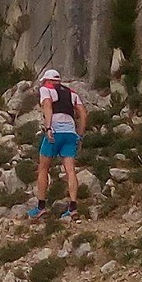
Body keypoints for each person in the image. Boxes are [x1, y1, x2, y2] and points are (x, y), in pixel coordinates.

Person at [29, 69, 87, 220]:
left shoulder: (46, 89)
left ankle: (41, 207)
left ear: (46, 80)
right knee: (70, 170)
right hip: (70, 133)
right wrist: (79, 136)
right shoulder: (72, 92)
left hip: (55, 132)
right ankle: (73, 207)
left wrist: (49, 128)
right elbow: (83, 113)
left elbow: (47, 105)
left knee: (43, 168)